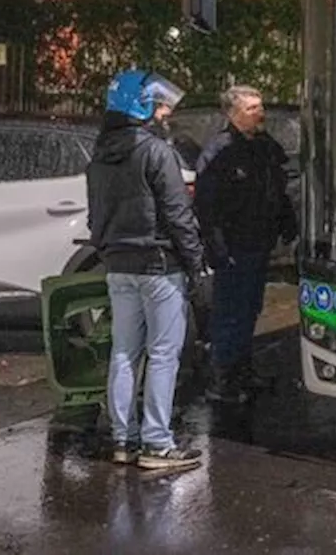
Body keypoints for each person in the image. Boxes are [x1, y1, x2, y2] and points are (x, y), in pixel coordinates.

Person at [87, 69, 205, 471]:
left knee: (123, 352)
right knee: (163, 354)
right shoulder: (157, 152)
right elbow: (178, 214)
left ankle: (123, 439)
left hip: (118, 265)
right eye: (159, 105)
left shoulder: (101, 153)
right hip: (159, 265)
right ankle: (157, 443)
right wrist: (196, 264)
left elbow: (96, 216)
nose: (165, 111)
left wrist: (106, 249)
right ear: (143, 108)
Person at [195, 85, 298, 403]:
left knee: (250, 309)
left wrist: (286, 222)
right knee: (230, 312)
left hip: (258, 242)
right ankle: (223, 377)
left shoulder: (265, 147)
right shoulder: (220, 152)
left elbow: (278, 189)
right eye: (252, 108)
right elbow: (207, 207)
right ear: (233, 113)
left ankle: (241, 369)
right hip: (234, 247)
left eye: (260, 106)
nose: (260, 113)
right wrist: (216, 248)